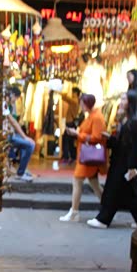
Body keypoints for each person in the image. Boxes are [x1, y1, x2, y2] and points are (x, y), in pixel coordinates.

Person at [87, 90, 137, 229]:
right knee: (131, 194)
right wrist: (110, 139)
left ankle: (104, 219)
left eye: (124, 99)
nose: (121, 102)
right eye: (121, 99)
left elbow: (134, 148)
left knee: (114, 191)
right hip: (121, 163)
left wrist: (132, 167)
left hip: (125, 165)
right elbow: (123, 144)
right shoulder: (129, 121)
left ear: (131, 102)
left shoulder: (133, 123)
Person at [59, 93, 106, 222]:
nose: (80, 106)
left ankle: (74, 212)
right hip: (86, 156)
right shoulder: (92, 116)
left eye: (82, 104)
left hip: (88, 157)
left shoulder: (96, 117)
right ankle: (107, 208)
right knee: (94, 184)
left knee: (77, 180)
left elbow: (96, 137)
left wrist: (78, 134)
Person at [5, 86, 35, 182]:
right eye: (16, 98)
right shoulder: (4, 105)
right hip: (6, 136)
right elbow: (13, 121)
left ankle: (22, 170)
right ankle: (20, 173)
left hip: (9, 134)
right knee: (30, 145)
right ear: (12, 95)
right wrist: (24, 137)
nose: (15, 101)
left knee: (25, 145)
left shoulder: (7, 105)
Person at [60, 87, 82, 164]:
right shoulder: (76, 101)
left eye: (73, 92)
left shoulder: (74, 101)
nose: (72, 94)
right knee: (70, 141)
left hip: (70, 123)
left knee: (66, 140)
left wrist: (62, 91)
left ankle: (67, 157)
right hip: (71, 122)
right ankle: (72, 157)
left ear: (76, 93)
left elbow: (64, 97)